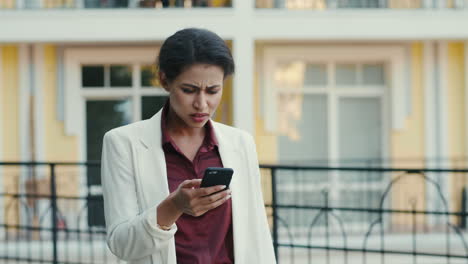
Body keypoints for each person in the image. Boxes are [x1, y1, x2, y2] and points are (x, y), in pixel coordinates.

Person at [101, 28, 276, 264]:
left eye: (213, 90)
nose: (202, 104)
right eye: (189, 90)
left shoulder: (240, 143)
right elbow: (122, 245)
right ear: (164, 80)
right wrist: (174, 206)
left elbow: (258, 236)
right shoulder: (123, 143)